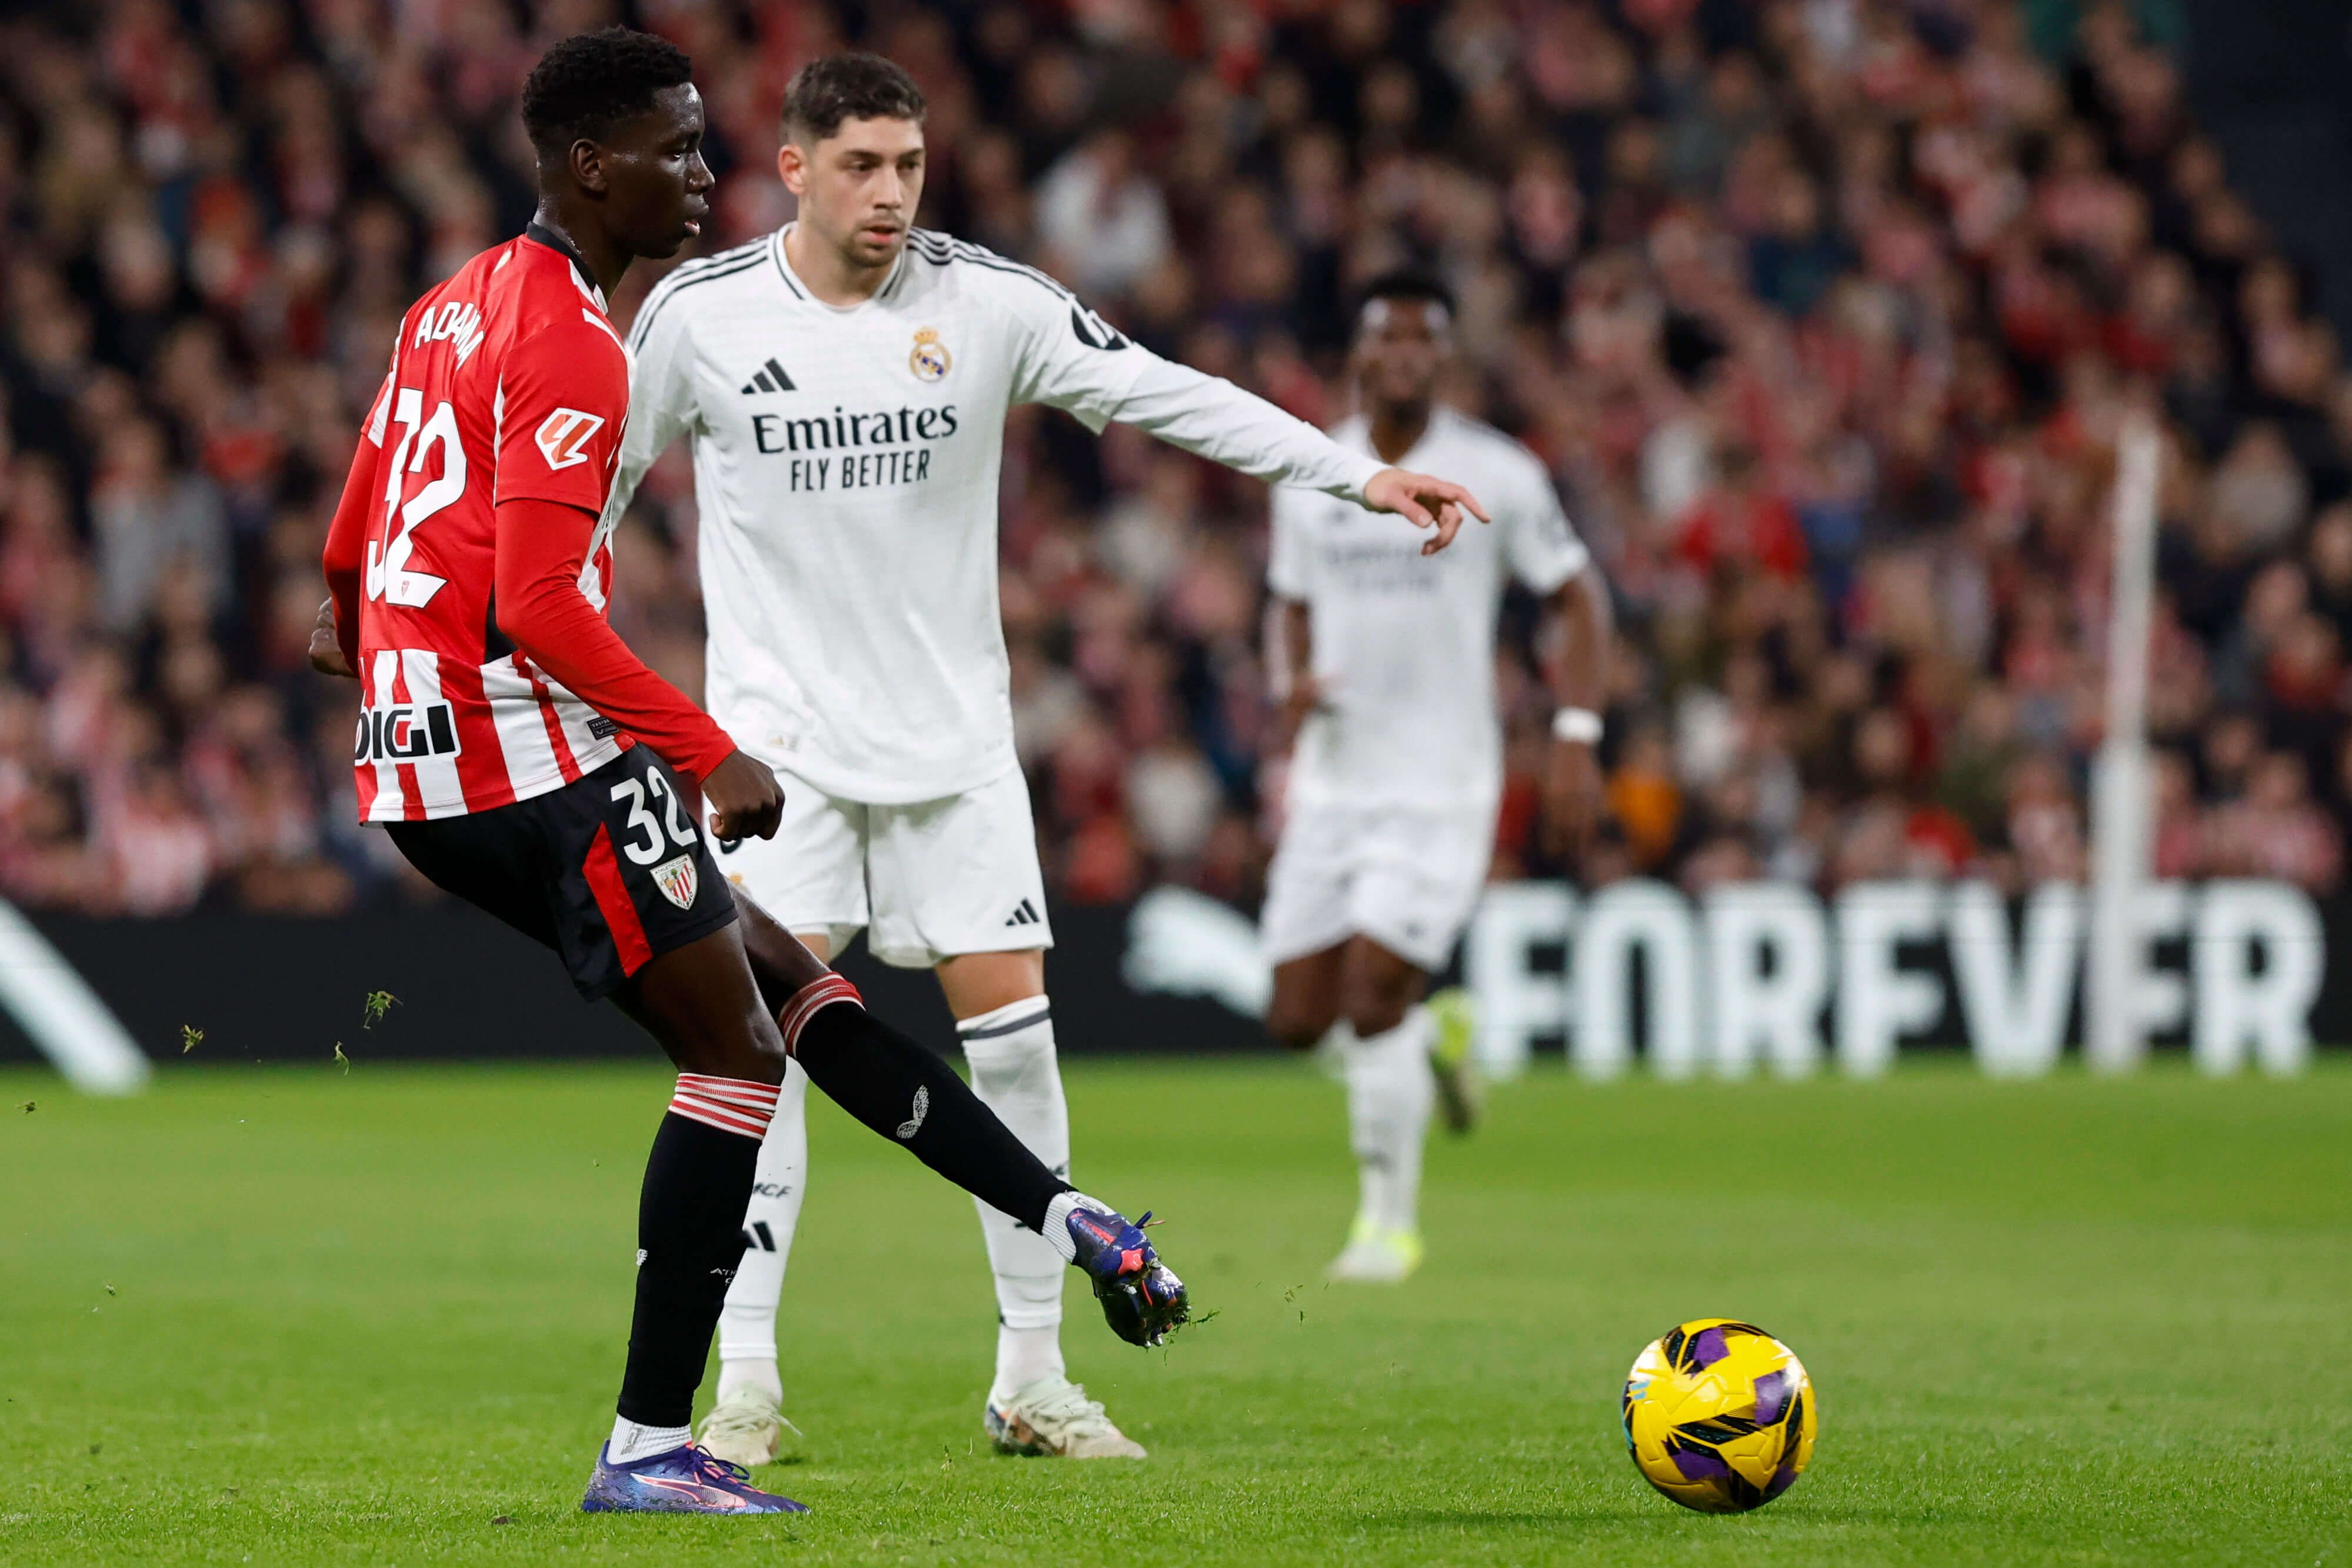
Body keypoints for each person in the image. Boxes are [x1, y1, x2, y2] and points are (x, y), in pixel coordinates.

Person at [309, 29, 1184, 1516]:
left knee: (792, 992)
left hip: (420, 754)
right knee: (735, 1058)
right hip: (519, 755)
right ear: (593, 167)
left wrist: (352, 632)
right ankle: (655, 1443)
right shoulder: (584, 340)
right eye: (677, 147)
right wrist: (706, 752)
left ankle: (1068, 1215)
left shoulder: (450, 306)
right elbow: (536, 601)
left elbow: (354, 528)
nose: (705, 174)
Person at [607, 52, 1485, 1465]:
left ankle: (1033, 1377)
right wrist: (580, 681)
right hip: (774, 763)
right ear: (793, 168)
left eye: (908, 164)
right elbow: (589, 501)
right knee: (752, 1056)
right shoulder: (699, 319)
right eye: (862, 167)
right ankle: (748, 1387)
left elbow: (1169, 393)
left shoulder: (990, 302)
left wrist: (1355, 475)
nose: (892, 193)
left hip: (954, 751)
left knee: (1013, 1046)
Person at [1261, 271, 1611, 1282]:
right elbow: (1290, 602)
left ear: (1443, 358)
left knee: (1372, 994)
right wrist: (1289, 681)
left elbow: (1576, 597)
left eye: (1425, 341)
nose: (1406, 356)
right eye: (1388, 338)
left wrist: (1577, 732)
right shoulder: (1311, 468)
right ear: (1360, 353)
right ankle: (1438, 1033)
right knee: (1295, 1018)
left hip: (1442, 782)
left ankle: (1386, 1223)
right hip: (1332, 782)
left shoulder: (1497, 471)